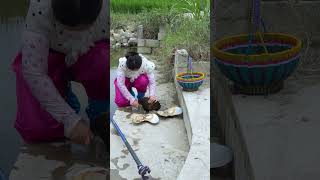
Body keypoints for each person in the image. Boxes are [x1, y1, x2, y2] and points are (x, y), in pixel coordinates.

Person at [12, 0, 109, 145]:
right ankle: (65, 98)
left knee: (104, 62)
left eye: (86, 26)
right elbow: (34, 72)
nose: (77, 32)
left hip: (91, 50)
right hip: (50, 55)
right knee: (37, 128)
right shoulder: (40, 8)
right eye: (70, 26)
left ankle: (99, 112)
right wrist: (69, 119)